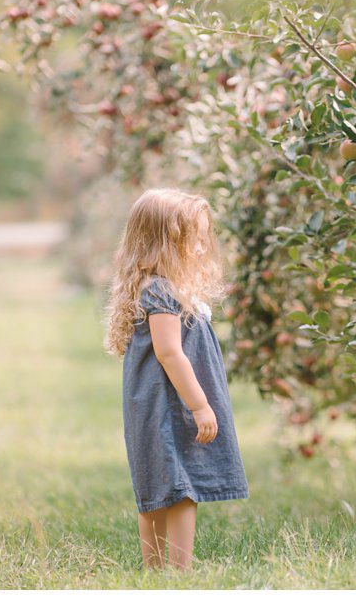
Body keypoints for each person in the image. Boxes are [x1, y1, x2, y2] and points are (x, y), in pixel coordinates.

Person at [103, 187, 249, 571]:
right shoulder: (162, 292)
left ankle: (155, 570)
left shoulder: (156, 287)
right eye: (193, 240)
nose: (201, 248)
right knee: (181, 487)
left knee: (158, 484)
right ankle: (178, 572)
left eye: (204, 239)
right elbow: (169, 352)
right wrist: (200, 405)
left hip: (155, 401)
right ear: (163, 243)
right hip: (170, 403)